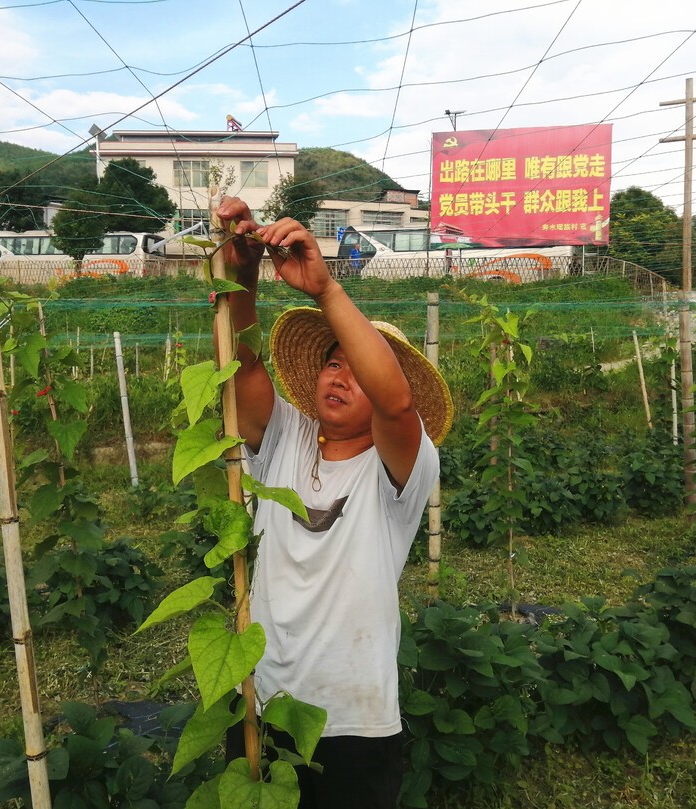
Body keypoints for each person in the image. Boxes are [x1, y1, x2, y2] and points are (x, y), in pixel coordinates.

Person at [217, 197, 453, 809]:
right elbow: (240, 362)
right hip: (263, 700)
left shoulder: (400, 466)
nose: (338, 377)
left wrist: (325, 289)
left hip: (353, 720)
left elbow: (398, 405)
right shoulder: (286, 439)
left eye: (359, 370)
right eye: (330, 363)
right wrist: (242, 275)